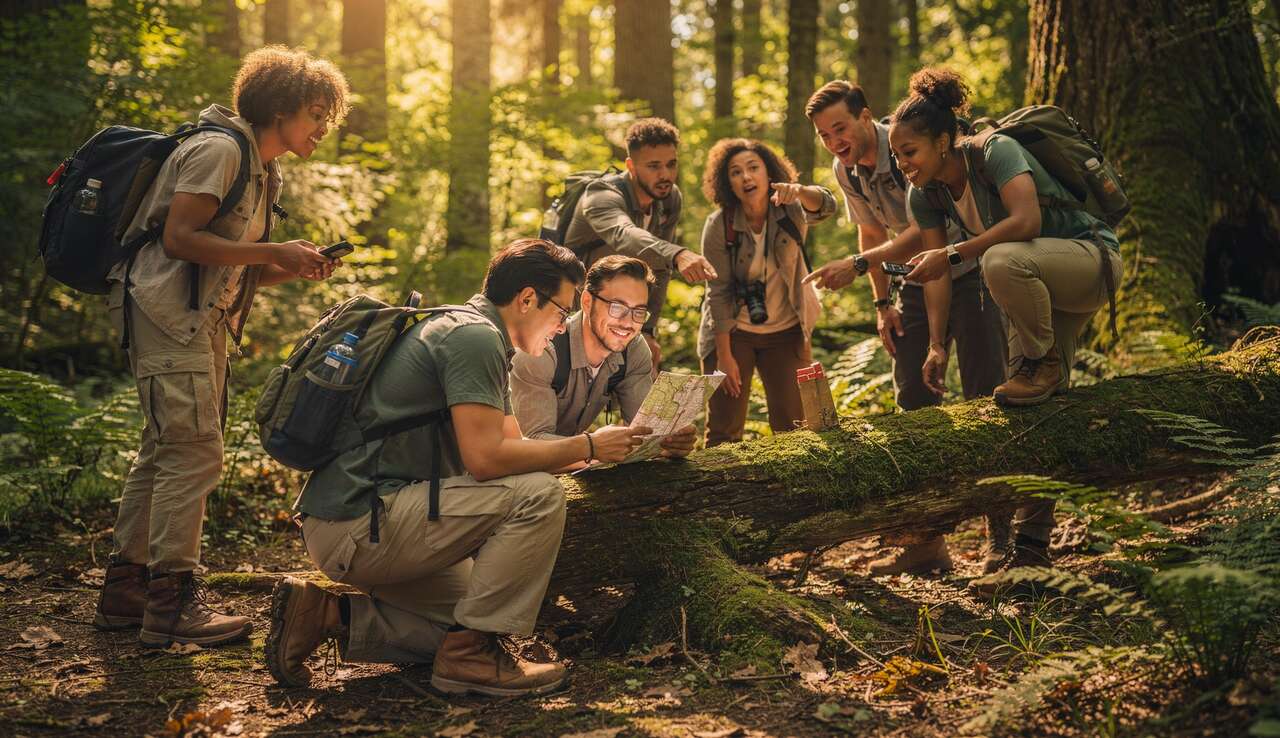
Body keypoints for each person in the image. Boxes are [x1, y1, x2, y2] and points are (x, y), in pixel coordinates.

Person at [265, 239, 652, 696]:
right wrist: (588, 443)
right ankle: (470, 658)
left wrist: (599, 450)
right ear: (527, 298)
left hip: (364, 522)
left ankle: (324, 616)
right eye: (560, 310)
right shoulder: (474, 338)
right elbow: (487, 461)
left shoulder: (477, 334)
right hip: (359, 521)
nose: (561, 325)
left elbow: (515, 447)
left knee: (468, 616)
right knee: (539, 497)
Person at [93, 47, 351, 648]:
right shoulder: (218, 150)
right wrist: (271, 252)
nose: (323, 128)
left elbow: (228, 263)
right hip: (166, 315)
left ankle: (125, 592)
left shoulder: (260, 167)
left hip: (197, 319)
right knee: (195, 453)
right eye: (316, 113)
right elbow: (181, 239)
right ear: (280, 107)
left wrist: (292, 265)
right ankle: (171, 604)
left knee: (165, 451)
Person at [890, 68, 1122, 589]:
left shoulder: (993, 150)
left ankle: (1040, 362)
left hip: (1088, 261)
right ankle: (1032, 552)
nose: (904, 164)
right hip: (1034, 283)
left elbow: (1026, 223)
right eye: (898, 155)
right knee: (1033, 407)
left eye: (911, 152)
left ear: (945, 141)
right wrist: (934, 345)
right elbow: (937, 269)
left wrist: (953, 250)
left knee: (998, 262)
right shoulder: (925, 195)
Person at [802, 80, 1011, 577]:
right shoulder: (845, 169)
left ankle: (1001, 537)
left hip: (971, 267)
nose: (834, 142)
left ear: (864, 116)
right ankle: (925, 540)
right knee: (913, 400)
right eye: (823, 135)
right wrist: (881, 300)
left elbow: (922, 229)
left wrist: (856, 263)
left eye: (841, 128)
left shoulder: (905, 144)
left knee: (987, 397)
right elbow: (873, 231)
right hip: (916, 280)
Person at [697, 138, 835, 445]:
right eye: (735, 172)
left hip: (787, 330)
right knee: (724, 429)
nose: (746, 177)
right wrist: (724, 355)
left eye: (753, 168)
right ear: (726, 182)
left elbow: (827, 204)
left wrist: (796, 190)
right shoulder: (720, 225)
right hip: (733, 333)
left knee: (796, 428)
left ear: (769, 173)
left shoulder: (790, 211)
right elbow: (717, 291)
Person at [510, 255, 696, 466]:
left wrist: (670, 443)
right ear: (587, 302)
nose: (628, 323)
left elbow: (648, 433)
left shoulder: (633, 350)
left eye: (639, 312)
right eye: (617, 307)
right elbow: (530, 443)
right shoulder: (542, 349)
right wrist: (594, 449)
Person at [563, 117, 718, 369]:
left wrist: (648, 330)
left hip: (619, 317)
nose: (665, 175)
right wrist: (677, 253)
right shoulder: (601, 195)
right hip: (570, 315)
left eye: (671, 164)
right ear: (631, 166)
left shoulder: (669, 200)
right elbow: (625, 234)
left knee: (636, 389)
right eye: (654, 166)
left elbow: (658, 270)